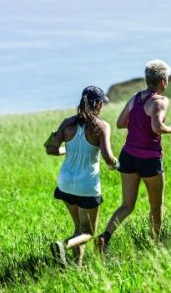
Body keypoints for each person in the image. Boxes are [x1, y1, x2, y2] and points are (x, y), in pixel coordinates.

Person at [96, 59, 171, 253]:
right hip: (149, 159)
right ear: (162, 81)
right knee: (156, 204)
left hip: (128, 156)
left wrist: (137, 127)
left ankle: (105, 237)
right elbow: (157, 127)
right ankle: (155, 244)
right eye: (167, 78)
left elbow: (120, 122)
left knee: (126, 205)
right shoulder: (160, 101)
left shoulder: (135, 98)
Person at [46, 86, 118, 267]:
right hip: (88, 186)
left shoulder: (66, 123)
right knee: (89, 232)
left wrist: (67, 149)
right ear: (99, 104)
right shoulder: (102, 126)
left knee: (79, 229)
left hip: (66, 184)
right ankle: (63, 245)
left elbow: (50, 148)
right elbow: (108, 158)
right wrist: (117, 164)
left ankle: (76, 265)